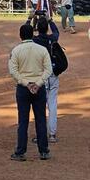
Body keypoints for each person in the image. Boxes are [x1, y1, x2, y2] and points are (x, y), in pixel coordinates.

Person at [8, 22, 52, 161]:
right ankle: (43, 151)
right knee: (40, 119)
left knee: (23, 121)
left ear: (20, 36)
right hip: (39, 89)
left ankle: (20, 151)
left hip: (23, 88)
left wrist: (27, 84)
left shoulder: (16, 50)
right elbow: (48, 70)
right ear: (33, 34)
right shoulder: (42, 49)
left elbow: (13, 71)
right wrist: (38, 84)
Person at [32, 14, 63, 142]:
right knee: (53, 104)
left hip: (40, 75)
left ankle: (41, 134)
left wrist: (31, 19)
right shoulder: (52, 38)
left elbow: (25, 32)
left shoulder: (35, 40)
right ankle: (52, 134)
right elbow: (56, 31)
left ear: (38, 28)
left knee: (40, 106)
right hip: (53, 73)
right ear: (47, 28)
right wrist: (50, 20)